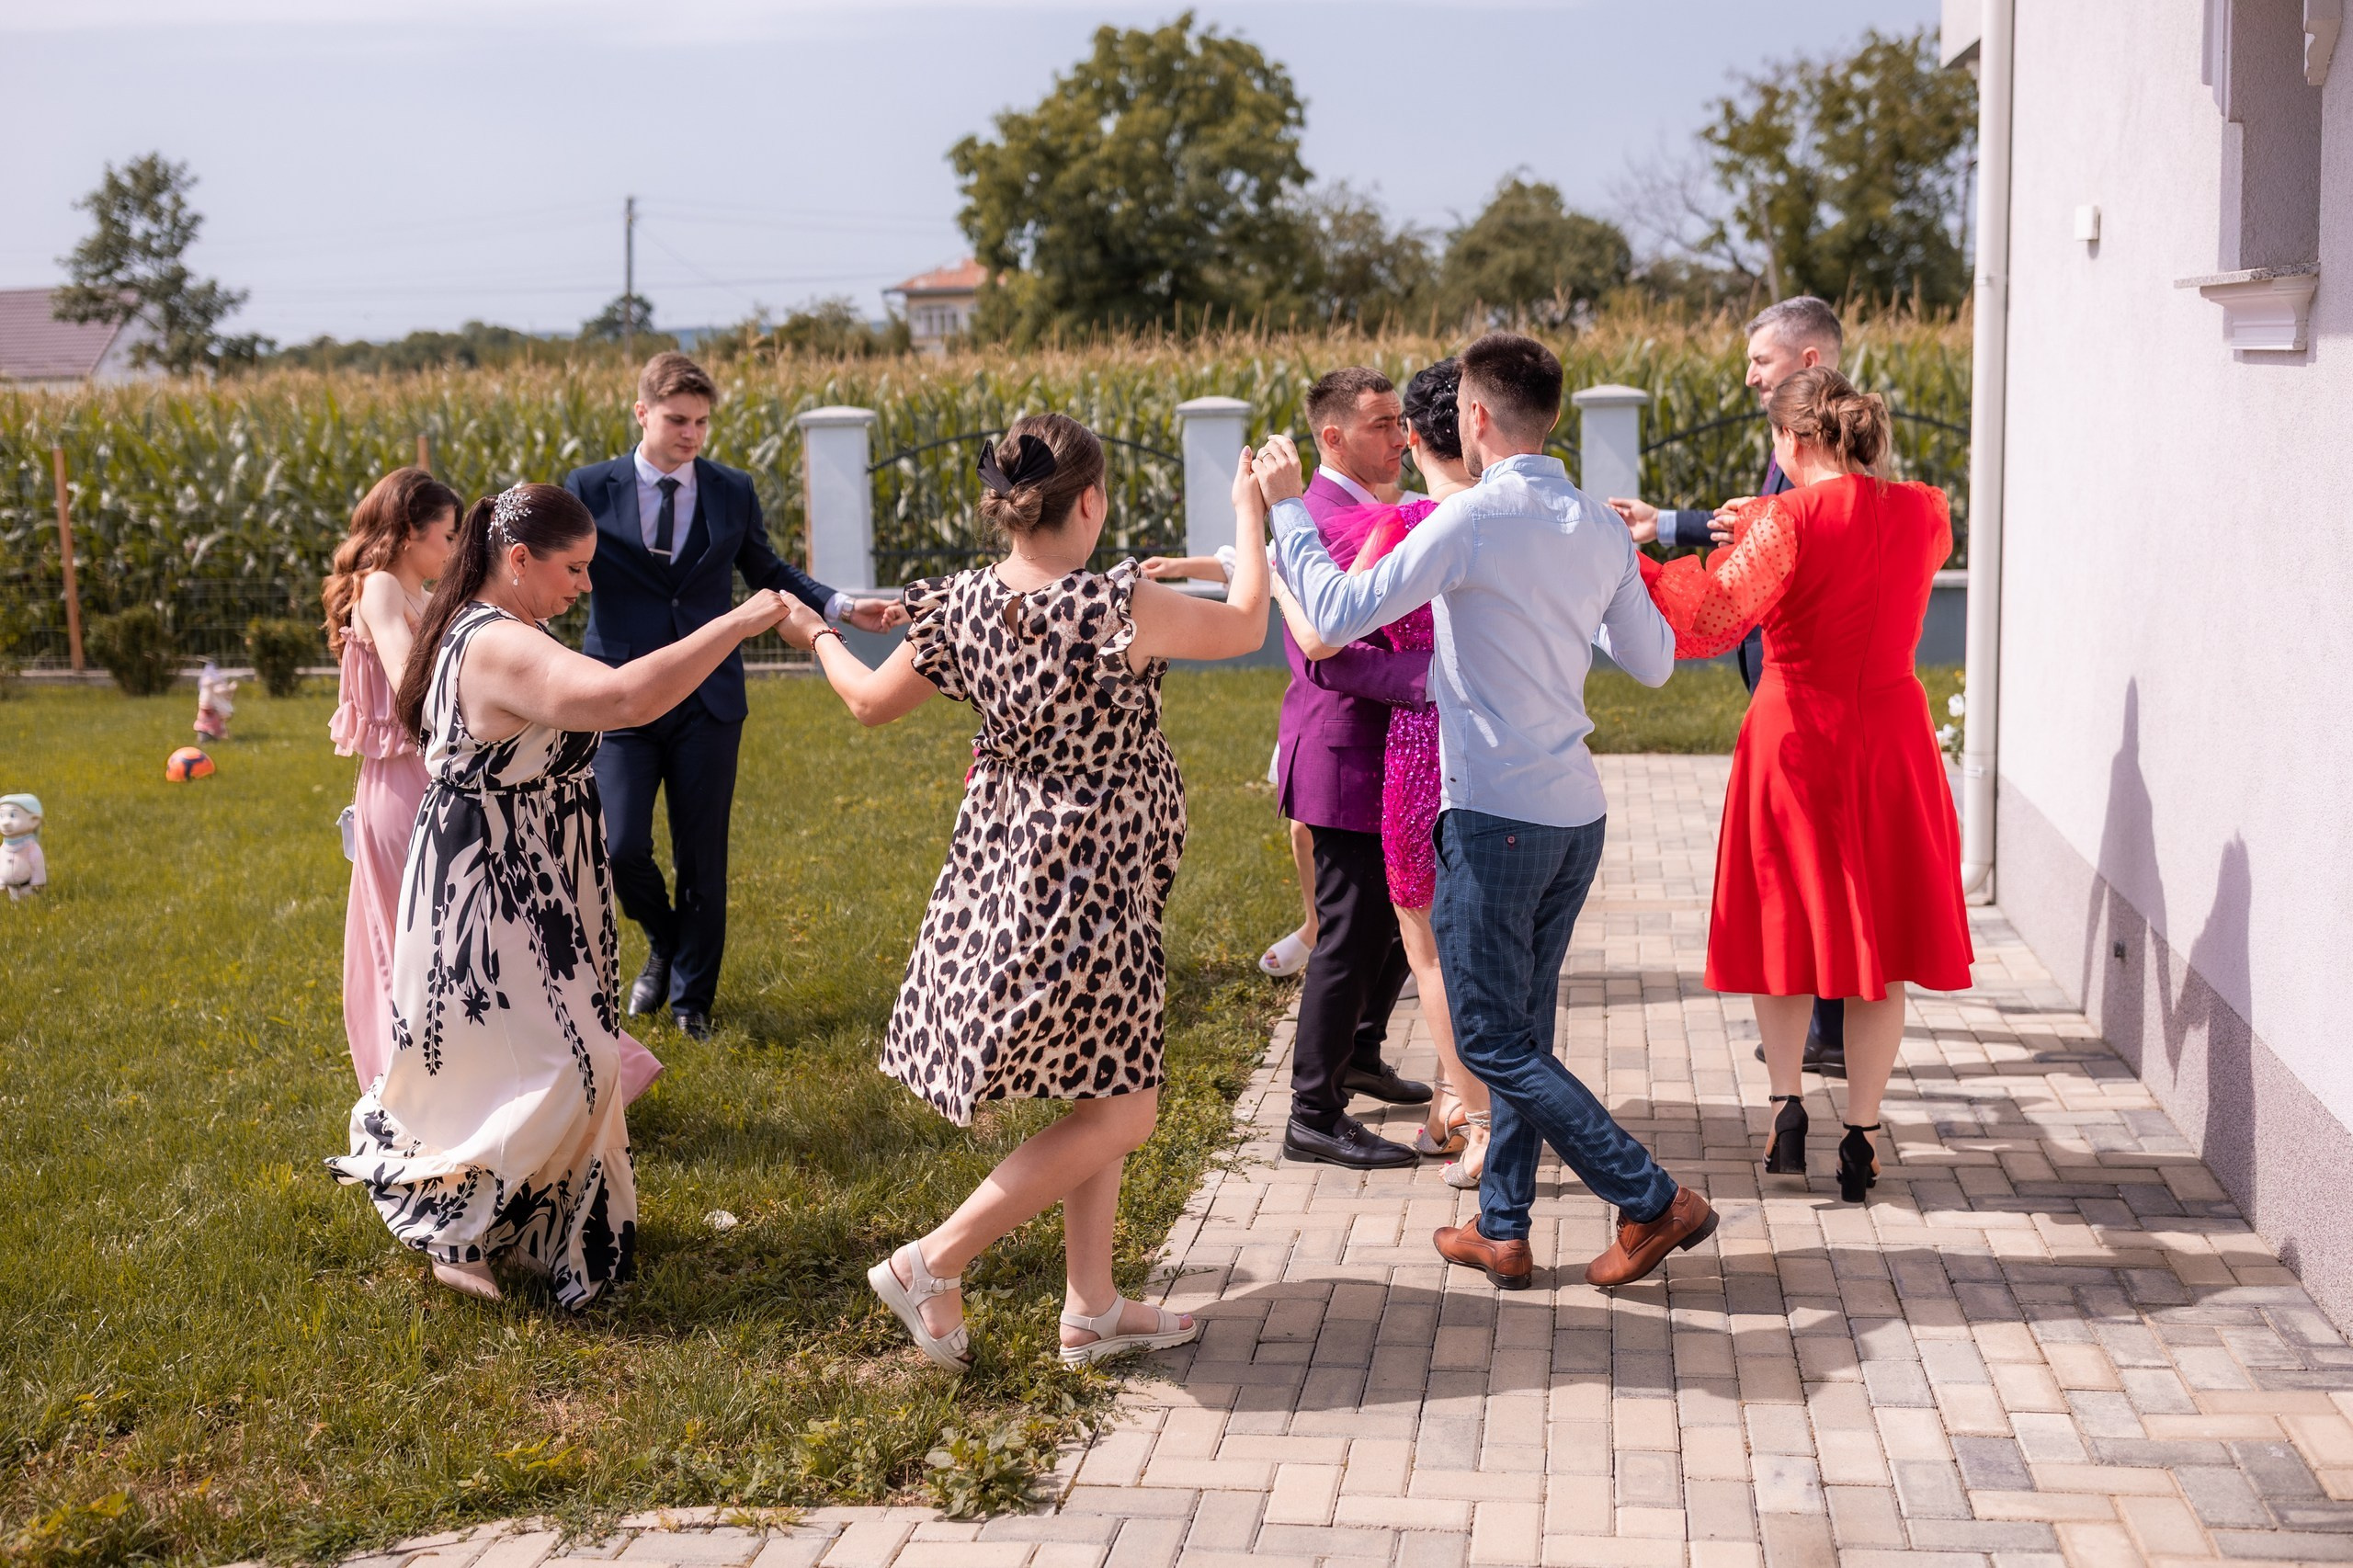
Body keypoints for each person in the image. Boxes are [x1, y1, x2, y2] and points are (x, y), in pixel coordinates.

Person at [773, 413, 1267, 1369]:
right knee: (1124, 1108)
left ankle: (1091, 1305)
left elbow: (868, 702)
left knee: (1100, 1080)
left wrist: (814, 633)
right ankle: (932, 1261)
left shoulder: (964, 602)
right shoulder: (1115, 604)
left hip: (1012, 858)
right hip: (1098, 869)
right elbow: (1249, 622)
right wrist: (1250, 509)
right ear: (1090, 502)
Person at [1264, 332, 1716, 1291]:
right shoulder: (1595, 523)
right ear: (1549, 416)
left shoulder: (1469, 517)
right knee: (1524, 1030)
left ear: (1473, 417)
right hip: (1574, 814)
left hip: (1494, 815)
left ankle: (1650, 1196)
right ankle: (1502, 1226)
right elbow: (1654, 663)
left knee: (1489, 1041)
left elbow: (1334, 615)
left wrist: (1286, 514)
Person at [326, 484, 793, 1306]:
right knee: (563, 1061)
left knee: (557, 1056)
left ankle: (539, 1227)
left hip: (534, 862)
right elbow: (623, 699)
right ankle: (453, 1222)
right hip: (493, 874)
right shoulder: (493, 641)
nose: (585, 584)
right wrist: (738, 622)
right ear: (518, 560)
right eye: (573, 569)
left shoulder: (500, 625)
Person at [1634, 368, 1973, 1202]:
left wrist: (1643, 565)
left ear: (1790, 439)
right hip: (1891, 735)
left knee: (1782, 922)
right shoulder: (1927, 513)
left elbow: (1710, 621)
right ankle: (1862, 1134)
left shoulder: (1783, 521)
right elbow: (1865, 534)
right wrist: (1761, 521)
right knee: (1882, 944)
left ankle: (1787, 1108)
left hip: (1796, 734)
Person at [562, 353, 906, 1041]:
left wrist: (841, 605)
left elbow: (766, 569)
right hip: (621, 695)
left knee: (702, 857)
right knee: (617, 846)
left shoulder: (729, 489)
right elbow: (556, 566)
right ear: (642, 413)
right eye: (677, 420)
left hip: (708, 700)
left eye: (701, 422)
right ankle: (664, 940)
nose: (691, 434)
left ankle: (692, 999)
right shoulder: (588, 487)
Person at [1608, 296, 1851, 1076]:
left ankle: (1832, 1031)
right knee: (1818, 860)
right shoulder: (1815, 452)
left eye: (1760, 361)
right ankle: (1830, 1027)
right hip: (1795, 690)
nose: (1748, 376)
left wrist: (1640, 571)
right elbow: (1763, 528)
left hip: (1808, 701)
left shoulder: (1825, 455)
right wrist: (1667, 525)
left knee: (1814, 864)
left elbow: (1768, 547)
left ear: (1808, 362)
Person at [1270, 359, 1491, 1188]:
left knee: (1396, 935)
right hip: (1346, 755)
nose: (1400, 437)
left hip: (1401, 754)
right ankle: (1312, 1112)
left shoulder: (1389, 510)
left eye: (1403, 422)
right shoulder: (1315, 518)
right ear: (1332, 436)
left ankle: (1360, 1053)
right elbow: (1321, 656)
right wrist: (1434, 682)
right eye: (1380, 424)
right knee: (1348, 936)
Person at [323, 467, 460, 1088]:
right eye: (448, 536)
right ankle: (422, 1084)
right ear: (409, 531)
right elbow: (411, 681)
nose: (454, 549)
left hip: (436, 773)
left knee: (463, 932)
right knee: (425, 942)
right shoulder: (379, 587)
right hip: (403, 783)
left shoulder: (426, 596)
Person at [1142, 546, 1320, 981]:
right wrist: (1176, 566)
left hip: (1380, 700)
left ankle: (1401, 945)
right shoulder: (1306, 526)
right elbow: (1250, 565)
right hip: (1315, 702)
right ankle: (1317, 926)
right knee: (1303, 827)